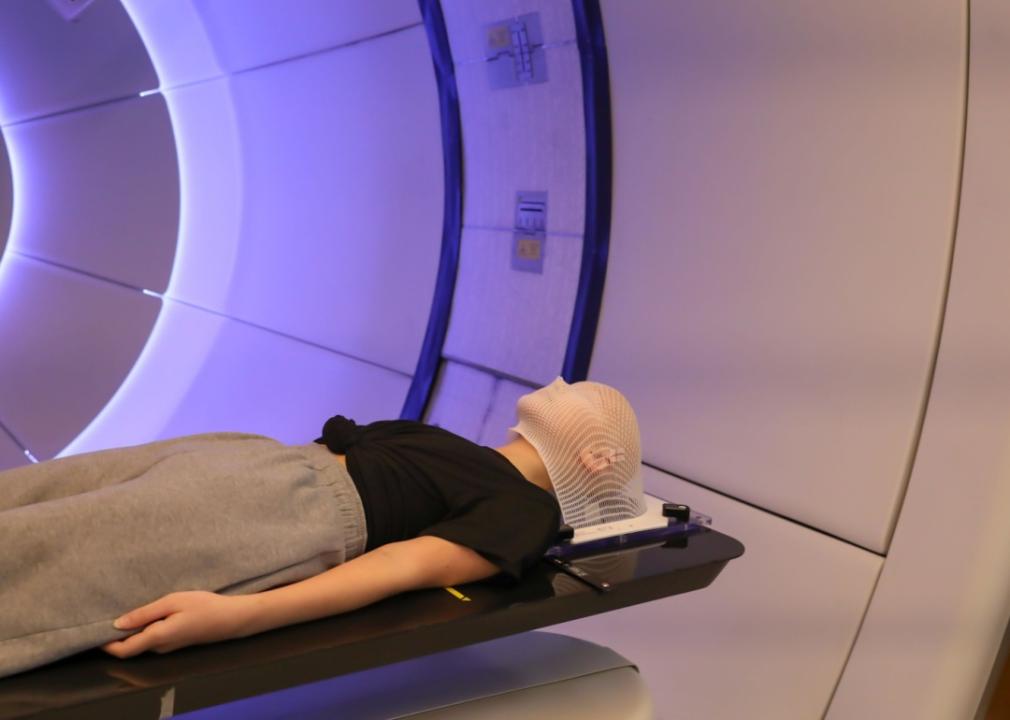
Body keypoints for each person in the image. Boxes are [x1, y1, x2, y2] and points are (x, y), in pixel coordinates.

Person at [0, 377, 642, 678]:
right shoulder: (499, 485)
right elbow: (400, 564)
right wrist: (231, 616)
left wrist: (232, 617)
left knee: (43, 531)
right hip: (263, 491)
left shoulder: (492, 480)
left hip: (250, 477)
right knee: (45, 538)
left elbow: (404, 564)